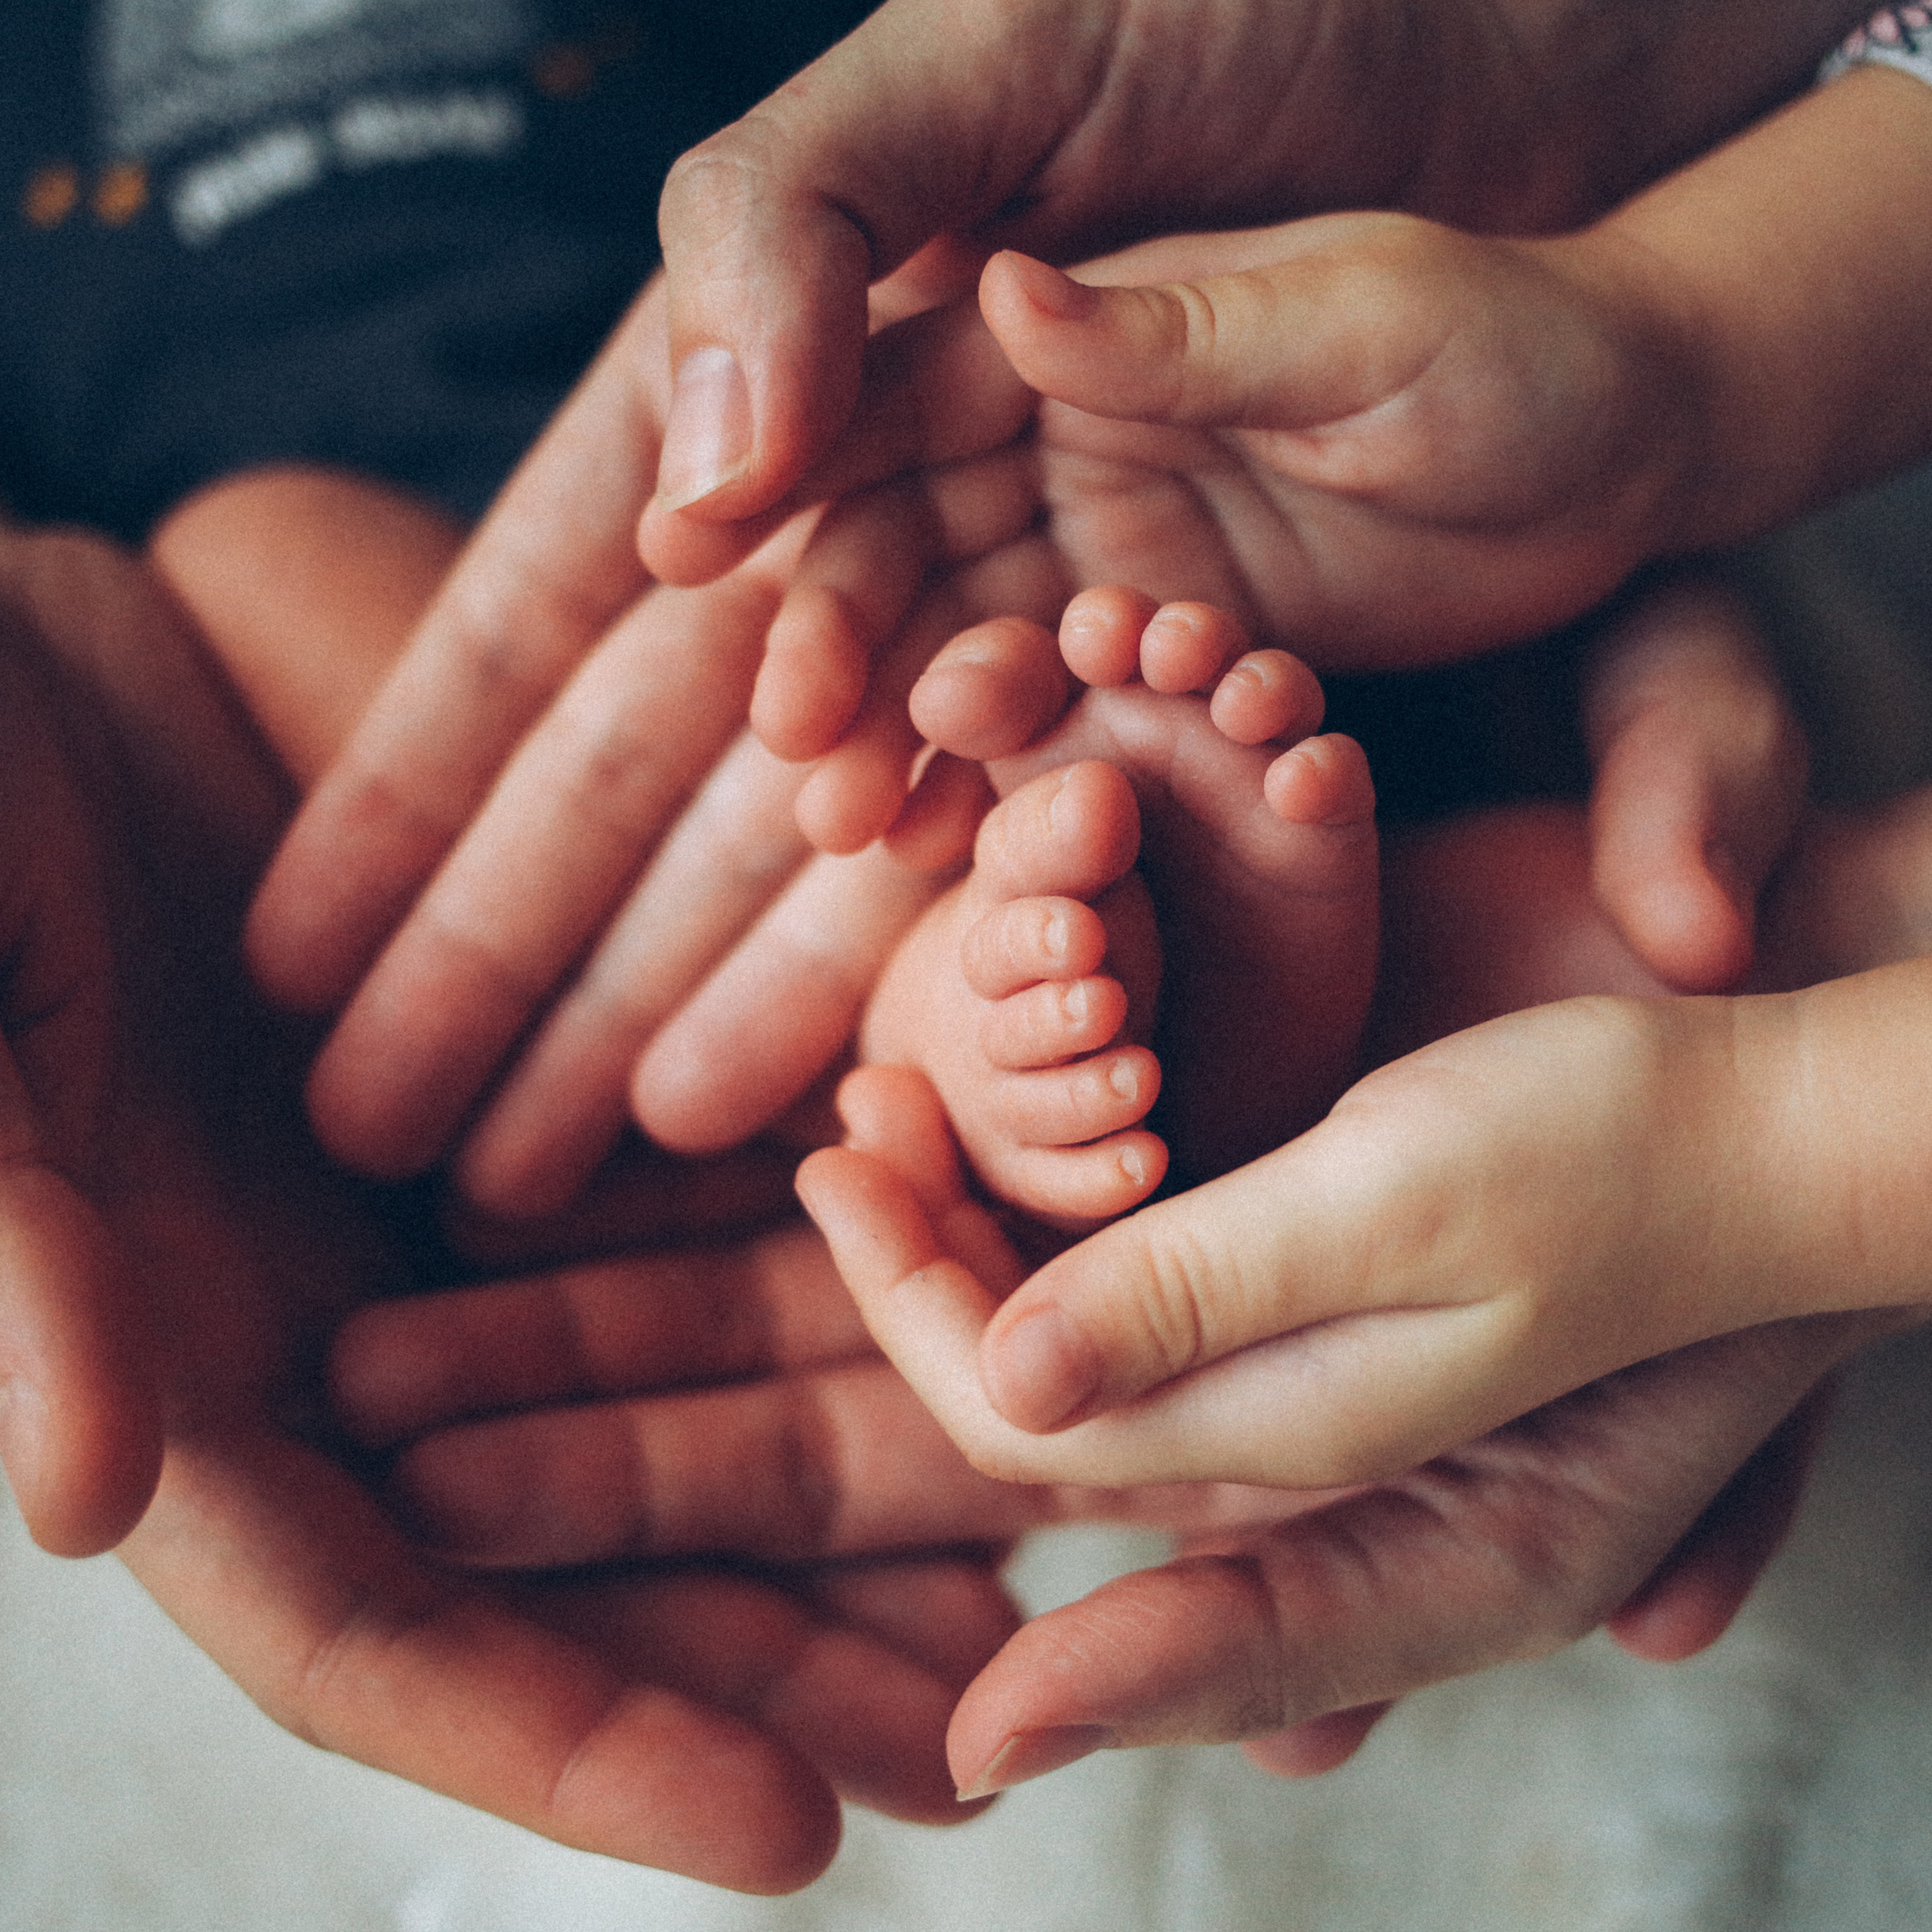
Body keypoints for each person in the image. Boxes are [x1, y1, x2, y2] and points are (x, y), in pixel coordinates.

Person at [242, 0, 1878, 1218]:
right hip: (536, 500)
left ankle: (1026, 987)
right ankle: (1004, 1003)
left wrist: (1662, 364)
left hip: (1038, 439)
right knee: (258, 552)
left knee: (952, 762)